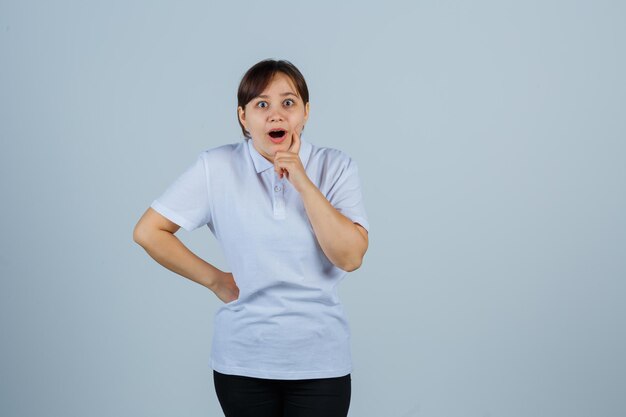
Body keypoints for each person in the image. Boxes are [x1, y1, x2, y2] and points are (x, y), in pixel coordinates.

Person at [133, 58, 370, 417]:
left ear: (306, 112)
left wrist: (302, 181)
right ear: (243, 117)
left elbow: (350, 257)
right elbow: (149, 232)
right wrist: (216, 280)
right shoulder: (217, 167)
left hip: (320, 361)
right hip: (243, 362)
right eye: (262, 104)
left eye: (288, 103)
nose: (276, 115)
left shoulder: (336, 166)